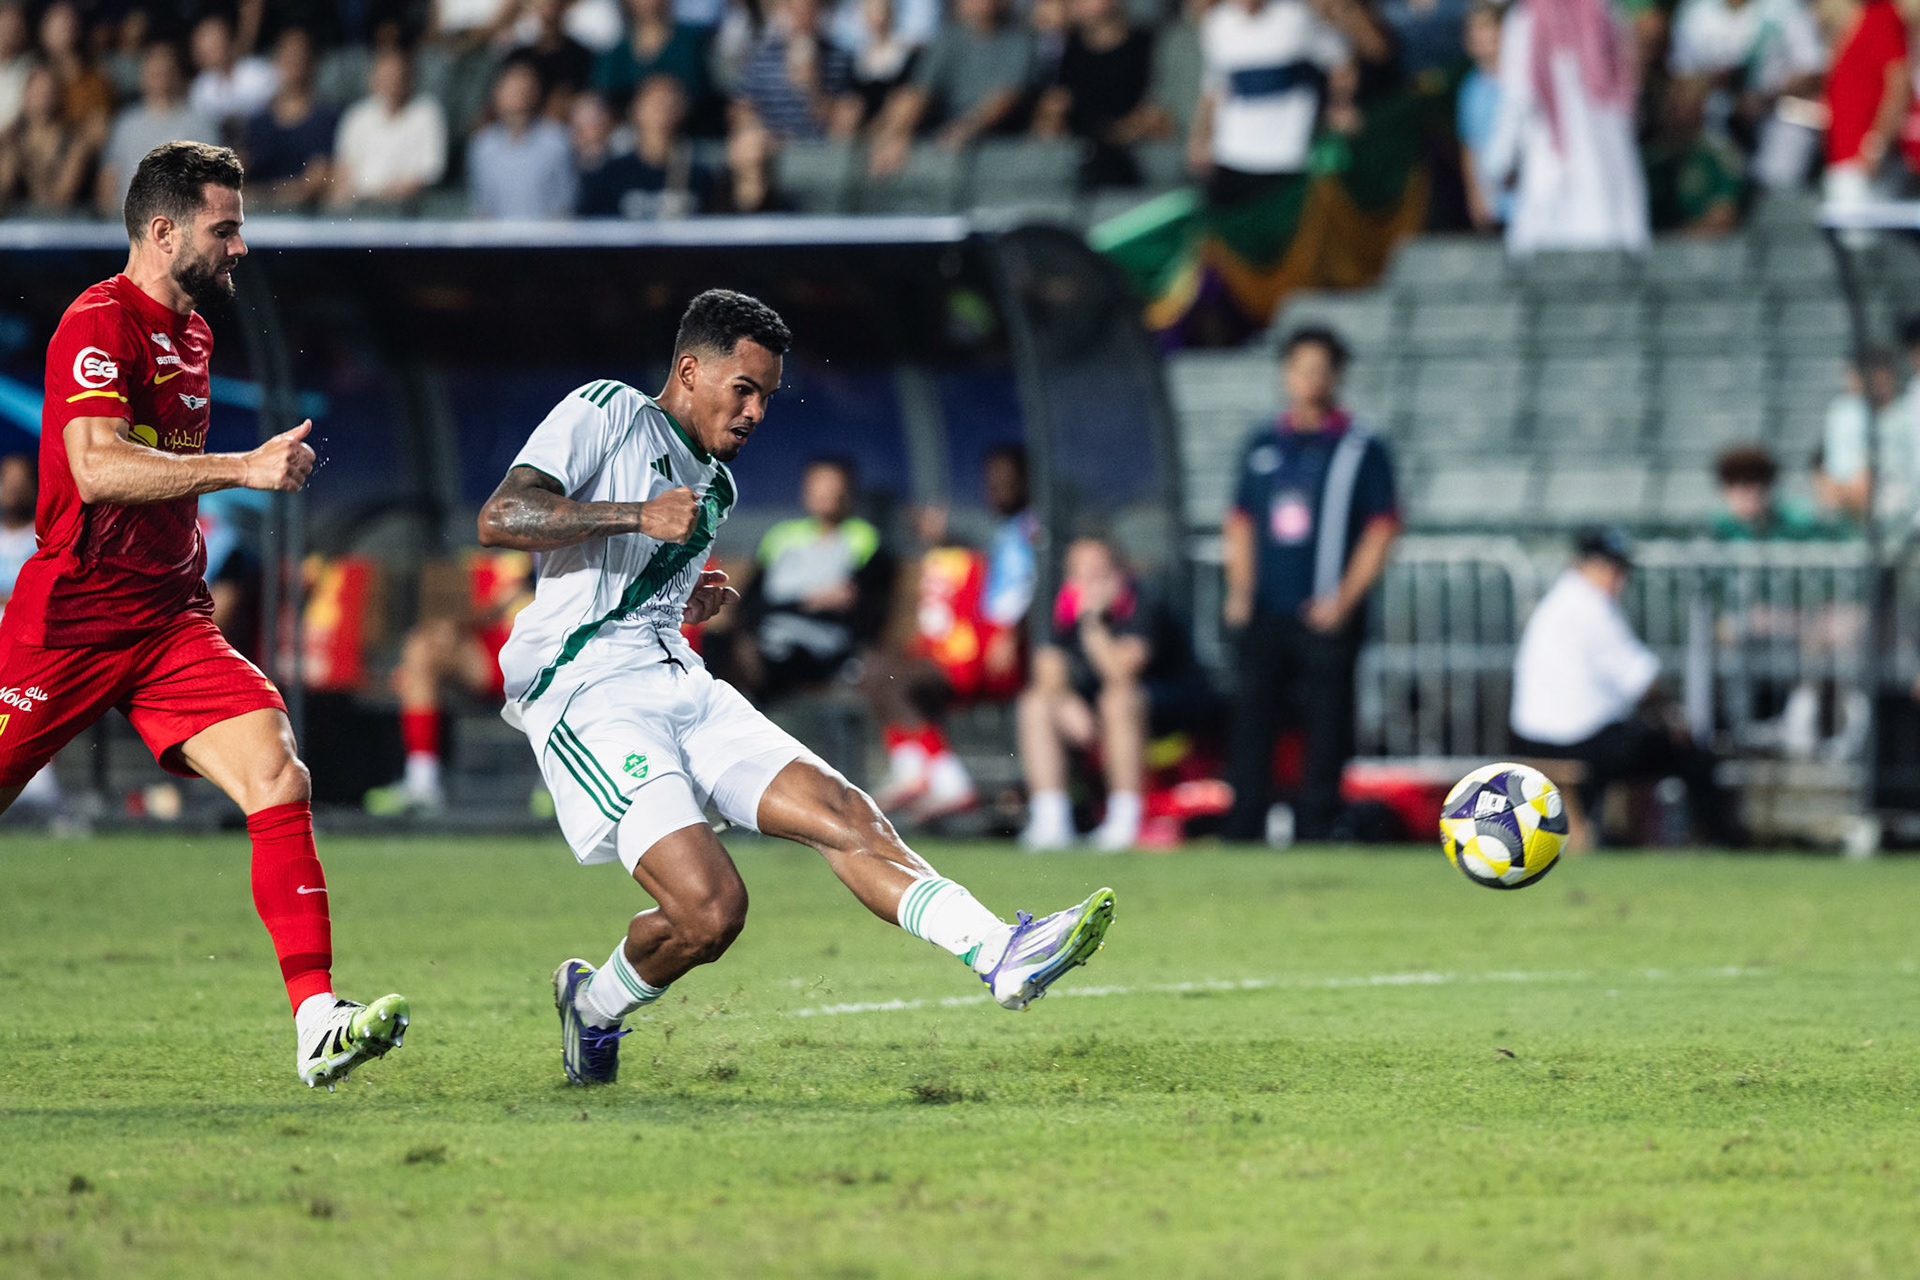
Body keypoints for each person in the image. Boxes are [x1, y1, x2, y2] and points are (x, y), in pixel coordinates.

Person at [476, 289, 1115, 1086]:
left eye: (767, 398)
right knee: (710, 912)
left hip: (678, 679)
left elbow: (634, 585)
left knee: (845, 812)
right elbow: (503, 515)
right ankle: (595, 1006)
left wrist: (681, 595)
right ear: (688, 371)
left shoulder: (718, 488)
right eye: (742, 390)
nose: (754, 413)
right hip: (588, 693)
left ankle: (1000, 952)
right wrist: (638, 516)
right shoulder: (606, 409)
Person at [0, 142, 409, 1088]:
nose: (240, 247)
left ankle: (316, 1021)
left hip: (169, 621)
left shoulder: (195, 332)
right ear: (162, 230)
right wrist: (242, 466)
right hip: (69, 625)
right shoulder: (95, 324)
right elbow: (98, 468)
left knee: (277, 775)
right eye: (225, 228)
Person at [1221, 327, 1400, 843]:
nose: (1310, 379)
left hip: (1325, 610)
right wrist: (1241, 591)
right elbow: (1240, 520)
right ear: (1286, 374)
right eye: (1301, 368)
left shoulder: (1358, 447)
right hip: (1267, 608)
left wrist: (1343, 600)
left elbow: (1382, 526)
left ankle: (1318, 822)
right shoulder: (1262, 442)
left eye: (1321, 369)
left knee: (1327, 723)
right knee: (1253, 715)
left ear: (1336, 377)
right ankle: (1246, 821)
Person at [1509, 528, 1743, 845]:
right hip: (1576, 739)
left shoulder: (1557, 603)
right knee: (1687, 749)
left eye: (1621, 570)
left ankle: (1627, 834)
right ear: (1584, 565)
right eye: (1610, 568)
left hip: (1531, 738)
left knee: (1639, 739)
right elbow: (1641, 681)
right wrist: (1672, 715)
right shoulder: (1591, 606)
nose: (1617, 579)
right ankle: (1719, 838)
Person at [1017, 537, 1191, 851]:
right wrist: (1065, 700)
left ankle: (1125, 820)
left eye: (1098, 572)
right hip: (1095, 710)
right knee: (1035, 704)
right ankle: (1050, 820)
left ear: (1118, 574)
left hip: (1167, 711)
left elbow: (1120, 673)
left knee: (1117, 699)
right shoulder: (1058, 604)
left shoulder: (1141, 602)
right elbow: (1048, 672)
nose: (1088, 583)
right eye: (1079, 574)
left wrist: (1091, 623)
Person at [366, 550, 535, 815]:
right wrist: (453, 625)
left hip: (553, 651)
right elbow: (491, 606)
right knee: (423, 647)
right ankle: (422, 782)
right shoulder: (499, 550)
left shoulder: (574, 537)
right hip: (497, 650)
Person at [1480, 0, 1650, 254]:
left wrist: (1499, 161)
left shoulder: (1602, 13)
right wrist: (1500, 160)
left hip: (1596, 163)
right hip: (1557, 161)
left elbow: (1515, 99)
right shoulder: (1601, 12)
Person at [730, 455, 891, 705]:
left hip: (819, 647)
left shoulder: (864, 538)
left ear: (849, 490)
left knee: (773, 659)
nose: (827, 494)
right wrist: (807, 600)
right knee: (720, 644)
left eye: (834, 485)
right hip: (769, 635)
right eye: (818, 485)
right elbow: (750, 603)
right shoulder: (781, 536)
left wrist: (789, 604)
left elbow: (859, 607)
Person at [1185, 0, 1355, 202]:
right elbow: (1215, 88)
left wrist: (1341, 106)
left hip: (1288, 154)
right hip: (1232, 155)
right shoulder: (1217, 24)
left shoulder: (1296, 15)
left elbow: (1340, 61)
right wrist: (1201, 137)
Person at [868, 0, 1037, 174]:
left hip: (996, 137)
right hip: (942, 127)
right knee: (903, 103)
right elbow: (920, 92)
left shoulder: (1019, 41)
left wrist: (964, 129)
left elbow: (1007, 97)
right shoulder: (947, 38)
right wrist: (899, 134)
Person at [1030, 0, 1165, 189]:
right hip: (1079, 142)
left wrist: (1124, 130)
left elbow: (1156, 109)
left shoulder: (1145, 43)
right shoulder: (1069, 48)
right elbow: (1056, 103)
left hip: (1124, 142)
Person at [97, 44, 220, 214]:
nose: (159, 77)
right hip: (132, 227)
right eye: (153, 71)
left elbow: (214, 181)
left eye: (165, 71)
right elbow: (109, 178)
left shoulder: (198, 123)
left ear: (177, 74)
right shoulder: (126, 123)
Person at [331, 47, 449, 210]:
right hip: (360, 209)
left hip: (405, 210)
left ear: (409, 78)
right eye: (385, 76)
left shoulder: (426, 113)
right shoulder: (356, 117)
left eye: (397, 76)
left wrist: (385, 197)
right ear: (373, 78)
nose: (391, 82)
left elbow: (427, 174)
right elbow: (343, 173)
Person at [1819, 0, 1906, 221]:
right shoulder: (1851, 22)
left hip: (1863, 158)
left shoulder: (1881, 17)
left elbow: (1899, 85)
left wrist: (1876, 145)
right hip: (1843, 153)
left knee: (1865, 245)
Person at [578, 73, 708, 216]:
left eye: (670, 103)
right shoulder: (611, 174)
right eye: (655, 103)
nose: (662, 111)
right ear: (636, 108)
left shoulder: (698, 175)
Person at [239, 28, 338, 211]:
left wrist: (262, 195)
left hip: (305, 218)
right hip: (257, 218)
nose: (294, 62)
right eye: (288, 56)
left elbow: (315, 183)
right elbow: (237, 177)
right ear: (276, 61)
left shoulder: (325, 119)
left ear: (312, 62)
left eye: (300, 56)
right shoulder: (259, 122)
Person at [468, 59, 579, 217]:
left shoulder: (557, 140)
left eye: (525, 91)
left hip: (546, 239)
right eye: (512, 91)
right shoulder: (482, 145)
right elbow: (481, 208)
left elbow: (565, 206)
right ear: (497, 95)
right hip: (496, 239)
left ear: (536, 95)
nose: (519, 99)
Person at [733, 0, 855, 139]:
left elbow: (844, 121)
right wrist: (760, 133)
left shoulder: (837, 58)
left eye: (809, 11)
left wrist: (812, 88)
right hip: (773, 147)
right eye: (796, 12)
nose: (802, 18)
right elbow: (742, 107)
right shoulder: (762, 56)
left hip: (820, 149)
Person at [0, 62, 97, 213]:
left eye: (48, 91)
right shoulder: (10, 138)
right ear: (26, 94)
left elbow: (62, 199)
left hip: (59, 225)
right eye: (37, 91)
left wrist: (30, 167)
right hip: (13, 223)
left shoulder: (74, 142)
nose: (43, 97)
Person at [1712, 445, 1839, 540]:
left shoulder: (1799, 524)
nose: (1750, 498)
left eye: (1757, 490)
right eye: (1741, 491)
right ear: (1725, 490)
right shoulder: (1715, 529)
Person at [1458, 0, 1508, 230]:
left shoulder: (1523, 80)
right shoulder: (1469, 89)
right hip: (1493, 204)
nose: (1477, 35)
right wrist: (1474, 197)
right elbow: (1469, 145)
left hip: (1529, 205)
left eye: (1485, 27)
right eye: (1472, 29)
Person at [188, 13, 279, 132]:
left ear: (229, 40)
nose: (210, 51)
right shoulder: (201, 88)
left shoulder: (259, 73)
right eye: (205, 46)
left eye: (215, 43)